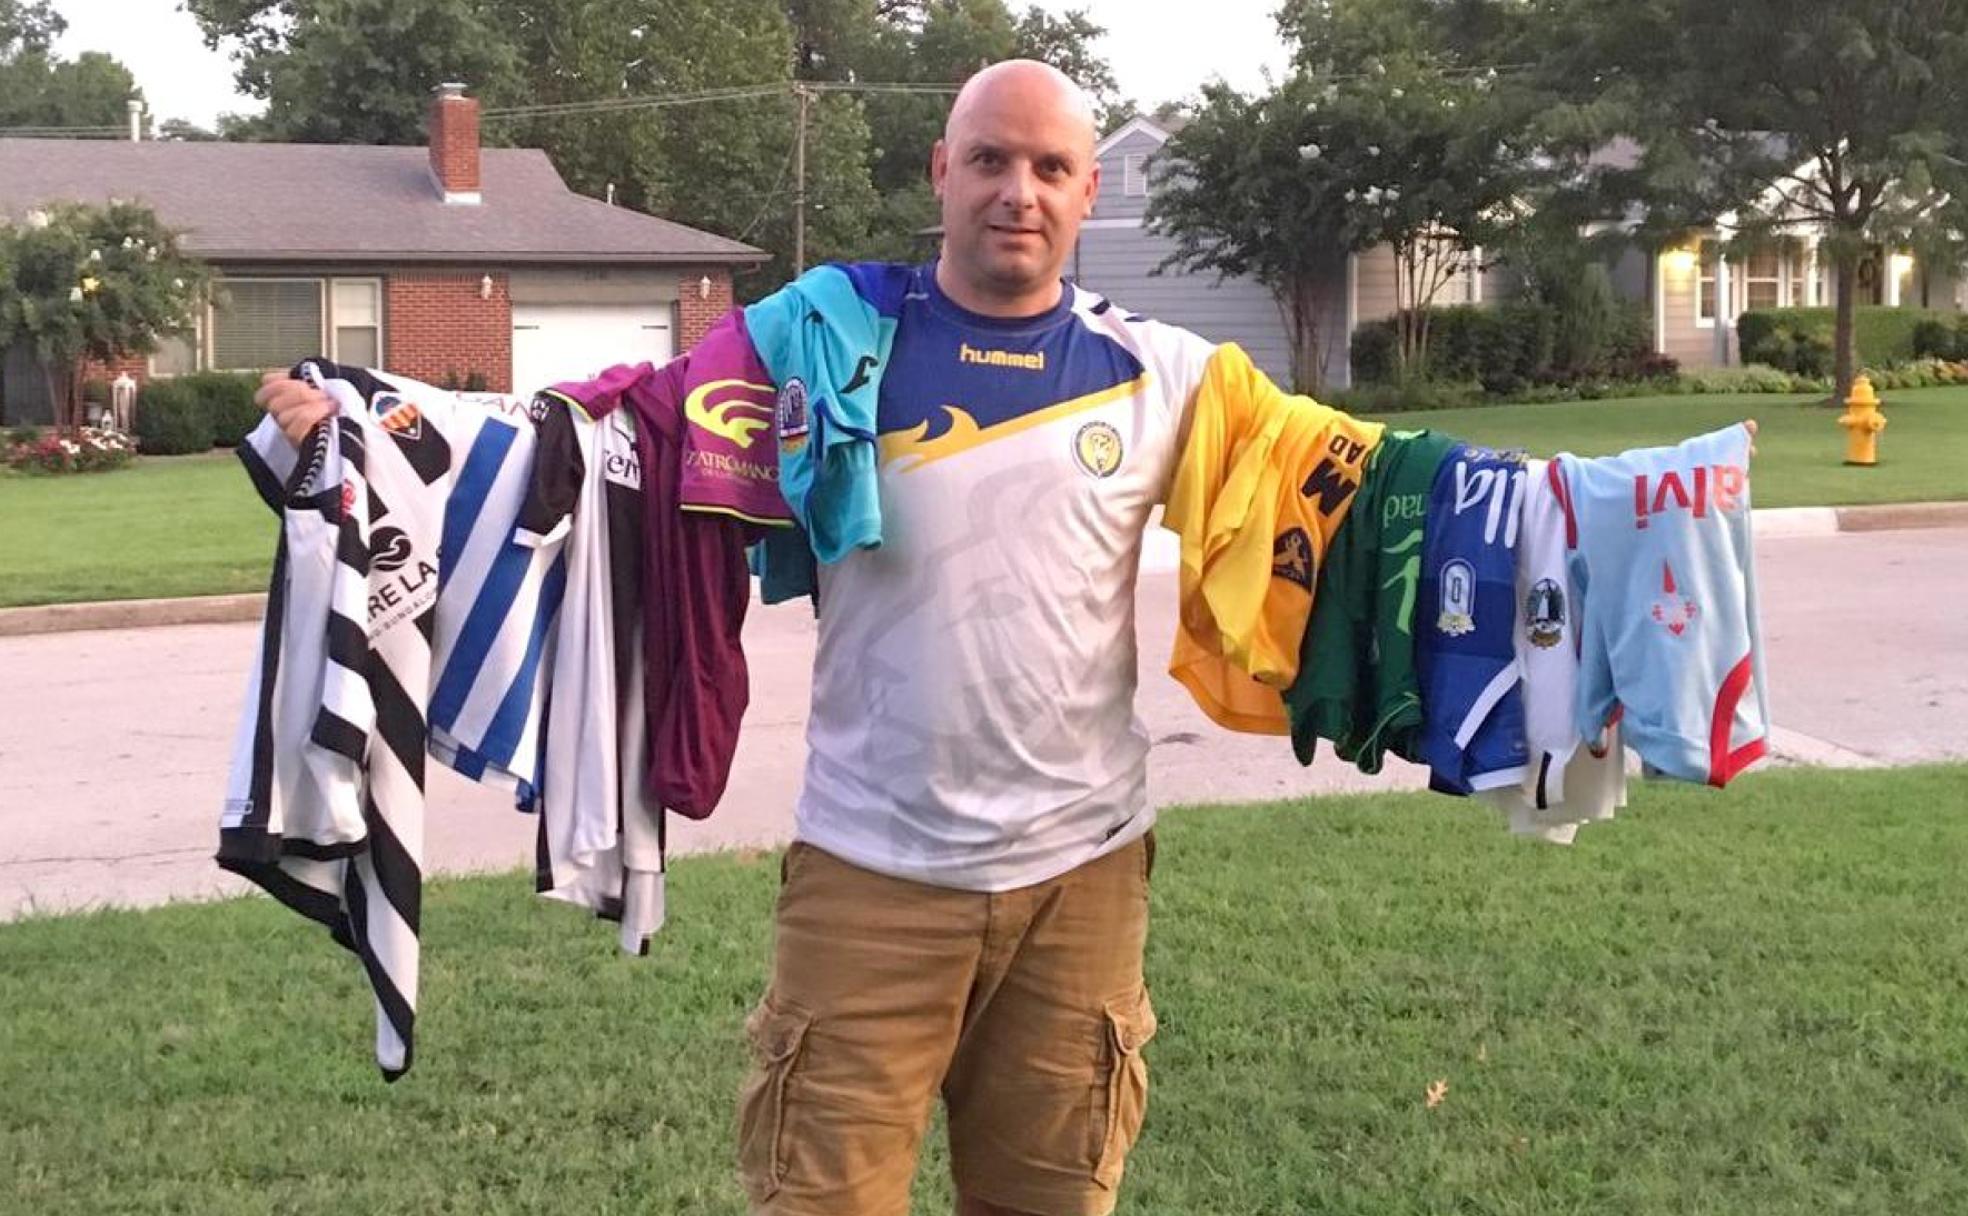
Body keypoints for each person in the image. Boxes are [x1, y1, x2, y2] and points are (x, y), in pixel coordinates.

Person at [258, 58, 1751, 1216]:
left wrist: (1585, 518)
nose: (1015, 192)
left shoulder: (1159, 375)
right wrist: (380, 425)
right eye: (988, 160)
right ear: (942, 172)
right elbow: (608, 436)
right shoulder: (823, 343)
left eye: (1047, 167)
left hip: (1081, 886)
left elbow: (1353, 485)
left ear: (1087, 191)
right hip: (869, 882)